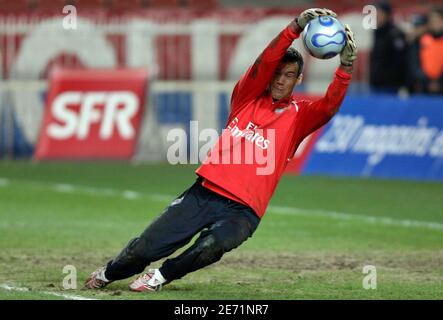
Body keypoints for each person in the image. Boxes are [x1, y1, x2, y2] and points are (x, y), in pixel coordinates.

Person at [85, 8, 357, 293]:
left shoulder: (300, 116)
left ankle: (160, 277)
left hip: (244, 212)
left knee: (212, 247)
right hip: (204, 194)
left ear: (298, 80)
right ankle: (108, 272)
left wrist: (345, 70)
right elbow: (265, 61)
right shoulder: (246, 96)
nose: (280, 80)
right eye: (277, 74)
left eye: (289, 75)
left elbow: (329, 106)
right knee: (142, 249)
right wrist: (294, 28)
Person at [369, 1, 407, 93]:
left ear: (387, 14)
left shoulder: (396, 34)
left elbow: (401, 61)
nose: (376, 16)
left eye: (379, 13)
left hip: (392, 85)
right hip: (375, 84)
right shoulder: (375, 32)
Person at [418, 6, 443, 95]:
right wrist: (427, 80)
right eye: (432, 20)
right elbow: (416, 62)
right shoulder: (422, 39)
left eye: (438, 20)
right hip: (424, 85)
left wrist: (439, 81)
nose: (435, 23)